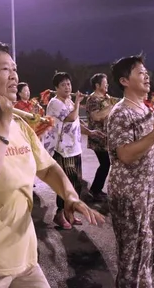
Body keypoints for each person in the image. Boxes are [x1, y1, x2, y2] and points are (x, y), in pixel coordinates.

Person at [0, 39, 104, 288]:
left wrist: (69, 195)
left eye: (15, 69)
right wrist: (1, 126)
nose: (14, 76)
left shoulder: (19, 124)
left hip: (22, 254)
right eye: (5, 69)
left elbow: (47, 167)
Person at [106, 55, 154, 287]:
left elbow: (153, 154)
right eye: (140, 72)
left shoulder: (147, 110)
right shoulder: (120, 113)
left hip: (152, 190)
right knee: (133, 256)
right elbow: (125, 154)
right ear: (125, 80)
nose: (147, 76)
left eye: (147, 72)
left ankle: (143, 282)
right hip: (130, 194)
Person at [43, 71, 105, 229]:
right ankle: (59, 214)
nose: (67, 87)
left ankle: (68, 214)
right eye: (63, 84)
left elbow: (76, 122)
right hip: (62, 150)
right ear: (56, 88)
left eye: (68, 84)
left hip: (75, 149)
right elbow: (70, 117)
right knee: (65, 184)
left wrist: (89, 132)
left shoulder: (69, 101)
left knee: (76, 185)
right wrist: (77, 102)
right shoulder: (55, 103)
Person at [85, 73, 114, 201]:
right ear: (97, 85)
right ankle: (95, 191)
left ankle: (97, 190)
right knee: (105, 164)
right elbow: (96, 116)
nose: (107, 85)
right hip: (98, 137)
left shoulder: (104, 98)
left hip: (106, 137)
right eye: (105, 83)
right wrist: (110, 106)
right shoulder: (93, 99)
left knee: (105, 164)